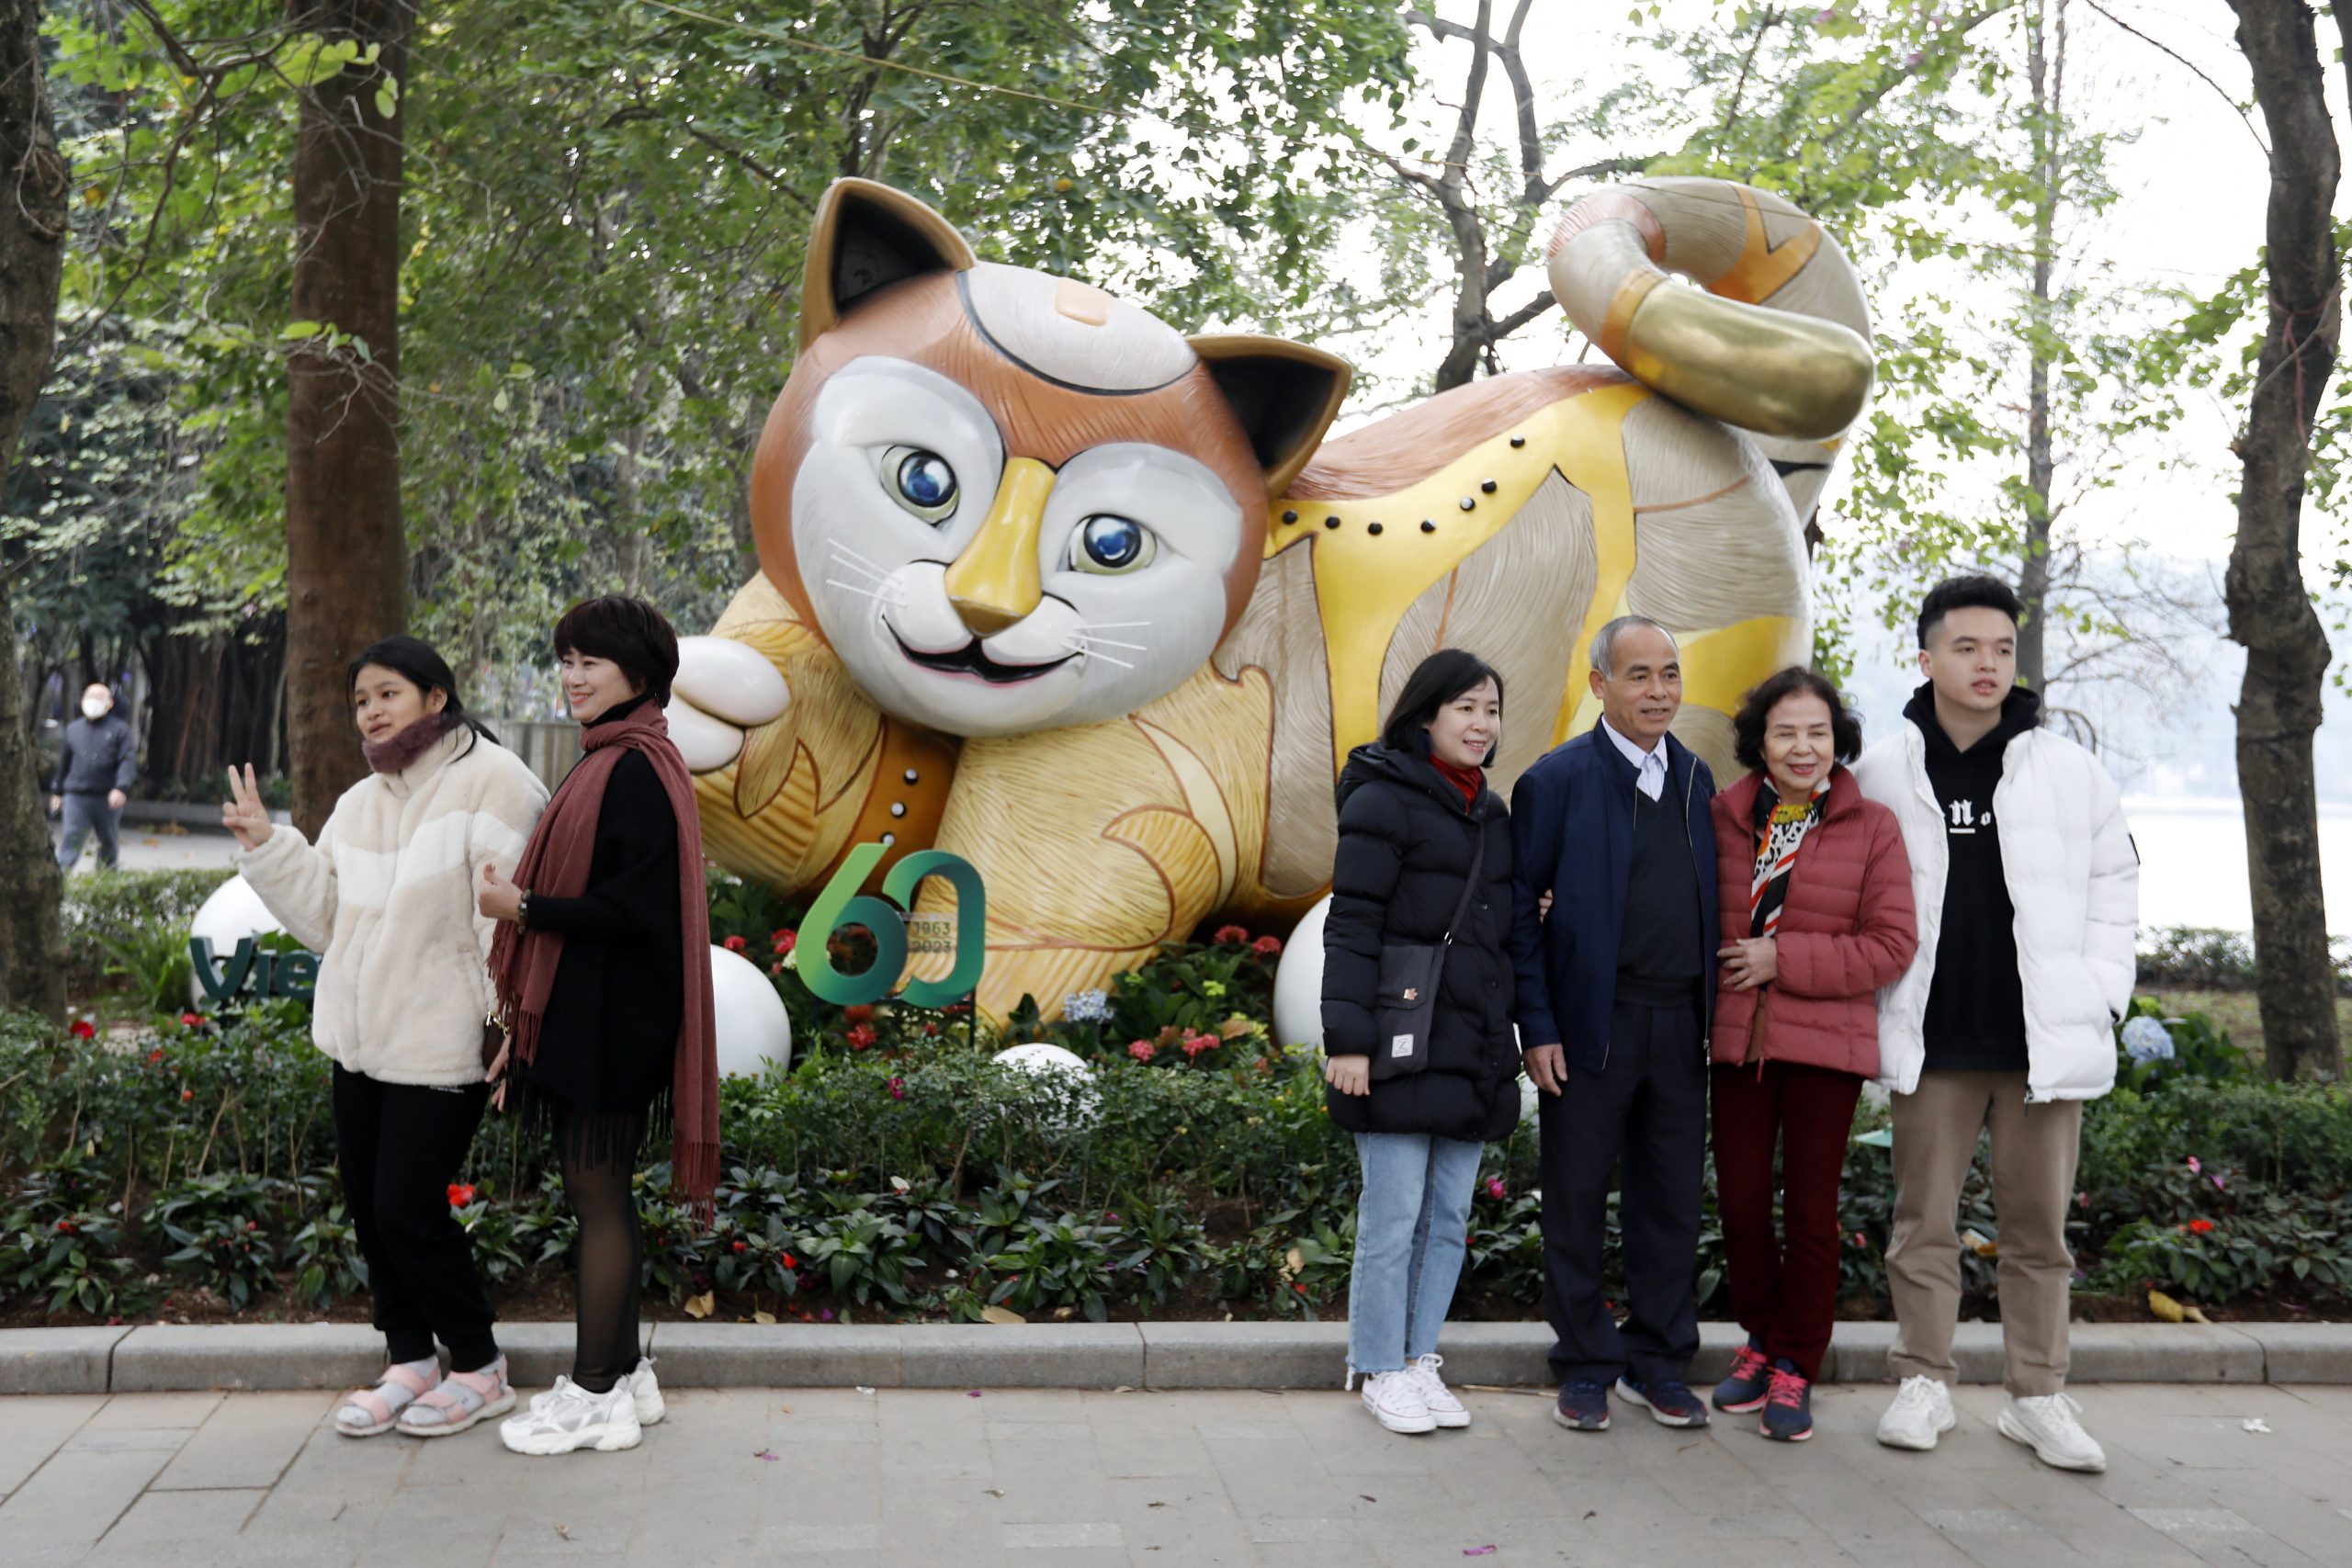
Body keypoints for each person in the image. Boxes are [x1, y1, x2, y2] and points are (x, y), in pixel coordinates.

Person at [223, 637, 549, 1438]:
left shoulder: (495, 782)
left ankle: (478, 1364)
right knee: (371, 1209)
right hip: (359, 1042)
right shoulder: (362, 800)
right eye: (360, 698)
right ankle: (410, 1356)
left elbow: (506, 924)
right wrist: (268, 845)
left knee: (408, 1207)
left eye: (387, 692)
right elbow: (327, 920)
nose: (371, 709)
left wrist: (506, 1024)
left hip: (442, 1042)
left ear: (437, 696)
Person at [1853, 574, 2137, 1472]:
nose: (1986, 664)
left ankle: (2037, 1397)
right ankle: (1924, 1379)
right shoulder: (1881, 769)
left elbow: (2113, 888)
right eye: (1966, 646)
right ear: (1927, 655)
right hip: (1930, 1039)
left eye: (2002, 649)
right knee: (1921, 1222)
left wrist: (2099, 995)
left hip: (2037, 1045)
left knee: (2038, 1232)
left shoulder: (2063, 766)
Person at [481, 595, 718, 1458]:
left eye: (591, 661)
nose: (573, 677)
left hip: (615, 1019)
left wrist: (524, 905)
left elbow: (631, 908)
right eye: (568, 660)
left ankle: (592, 1393)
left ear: (640, 674)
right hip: (601, 1012)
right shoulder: (615, 757)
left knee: (600, 1196)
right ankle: (622, 1377)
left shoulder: (632, 765)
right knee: (602, 1194)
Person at [1510, 615, 1717, 1433]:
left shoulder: (1700, 780)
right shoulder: (1555, 781)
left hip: (1682, 1027)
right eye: (1639, 675)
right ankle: (1587, 1363)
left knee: (1669, 1203)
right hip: (1590, 1027)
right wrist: (1539, 1025)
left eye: (1669, 673)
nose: (1658, 690)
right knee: (1574, 1197)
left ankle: (1659, 1362)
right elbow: (1523, 916)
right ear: (1599, 683)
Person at [1707, 668, 1917, 1442]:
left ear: (1839, 739)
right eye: (1786, 731)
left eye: (1818, 731)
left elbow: (1891, 944)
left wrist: (1780, 958)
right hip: (1737, 1043)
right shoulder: (1724, 818)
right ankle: (1762, 1338)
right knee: (1738, 1205)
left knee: (1811, 1214)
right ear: (1759, 741)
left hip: (1826, 1047)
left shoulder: (1873, 825)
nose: (1804, 746)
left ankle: (1798, 1361)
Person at [1322, 650, 1520, 1437]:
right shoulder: (1382, 800)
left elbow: (1500, 930)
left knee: (1446, 1216)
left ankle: (1416, 1356)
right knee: (1394, 1212)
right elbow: (1353, 922)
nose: (1481, 723)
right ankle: (1376, 1362)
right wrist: (1348, 1040)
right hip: (1399, 1037)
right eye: (1466, 706)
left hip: (1470, 1038)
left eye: (1492, 709)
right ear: (1426, 715)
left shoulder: (1491, 814)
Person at [51, 682, 137, 871]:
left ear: (110, 703)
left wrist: (121, 788)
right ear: (82, 700)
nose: (93, 701)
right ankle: (61, 880)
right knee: (72, 838)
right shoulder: (73, 730)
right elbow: (63, 763)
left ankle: (106, 881)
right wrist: (57, 792)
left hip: (107, 796)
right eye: (90, 696)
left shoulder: (120, 730)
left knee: (108, 841)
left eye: (99, 697)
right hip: (76, 796)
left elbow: (127, 761)